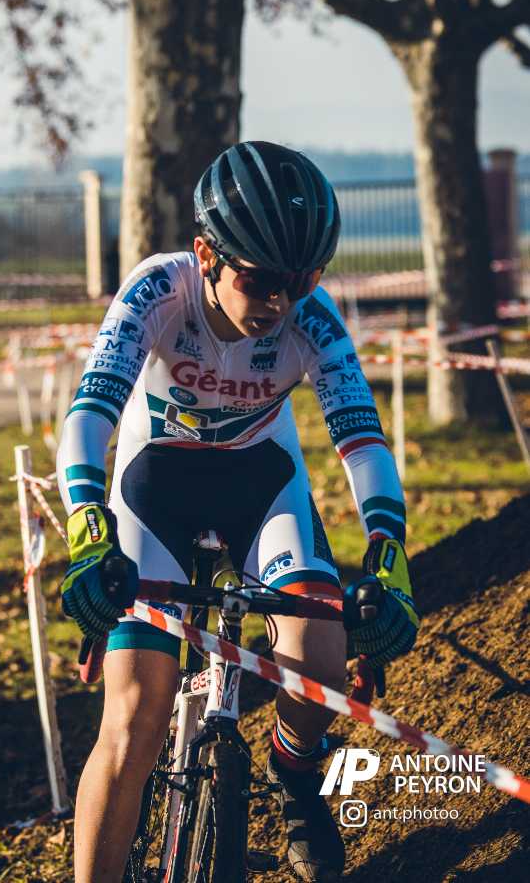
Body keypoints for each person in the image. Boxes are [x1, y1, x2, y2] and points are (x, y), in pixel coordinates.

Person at [57, 141, 419, 882]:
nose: (282, 302)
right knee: (135, 716)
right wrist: (88, 530)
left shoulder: (313, 319)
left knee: (319, 662)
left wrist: (388, 550)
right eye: (261, 279)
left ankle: (296, 772)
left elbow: (361, 441)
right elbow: (89, 417)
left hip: (260, 481)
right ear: (207, 255)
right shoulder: (158, 290)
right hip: (155, 484)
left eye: (302, 279)